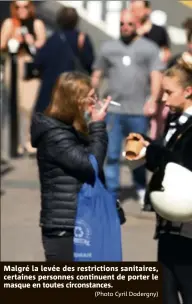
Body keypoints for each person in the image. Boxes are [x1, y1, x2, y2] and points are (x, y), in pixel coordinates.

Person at [126, 53, 192, 304]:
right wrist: (148, 147)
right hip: (167, 224)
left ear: (188, 91)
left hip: (187, 228)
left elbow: (182, 162)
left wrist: (151, 151)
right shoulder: (176, 120)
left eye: (168, 92)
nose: (162, 98)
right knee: (165, 293)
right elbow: (169, 155)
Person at [31, 72, 111, 261]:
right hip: (64, 228)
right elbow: (90, 166)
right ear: (74, 101)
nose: (94, 102)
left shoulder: (72, 128)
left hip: (82, 222)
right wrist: (98, 125)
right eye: (91, 97)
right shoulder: (55, 135)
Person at [92, 9, 164, 205]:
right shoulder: (108, 47)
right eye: (122, 24)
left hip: (138, 111)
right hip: (114, 111)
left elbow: (156, 75)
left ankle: (141, 187)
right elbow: (97, 73)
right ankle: (112, 193)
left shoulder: (148, 48)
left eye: (129, 24)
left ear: (138, 25)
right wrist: (92, 95)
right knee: (112, 155)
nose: (125, 27)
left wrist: (153, 100)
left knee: (137, 155)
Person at [0, 1, 46, 156]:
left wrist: (31, 42)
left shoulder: (37, 23)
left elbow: (43, 44)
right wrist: (13, 39)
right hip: (13, 65)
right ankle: (17, 143)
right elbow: (2, 44)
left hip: (30, 67)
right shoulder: (9, 23)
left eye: (25, 7)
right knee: (15, 105)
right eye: (18, 7)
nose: (22, 10)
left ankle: (29, 141)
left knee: (30, 105)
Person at [33, 6, 95, 113]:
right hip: (74, 93)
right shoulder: (81, 39)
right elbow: (90, 65)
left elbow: (38, 63)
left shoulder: (52, 39)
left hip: (50, 93)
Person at [130, 0, 172, 140]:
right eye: (133, 9)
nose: (135, 13)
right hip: (135, 84)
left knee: (155, 124)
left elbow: (166, 53)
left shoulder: (158, 31)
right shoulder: (130, 31)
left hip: (154, 83)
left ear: (147, 10)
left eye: (138, 9)